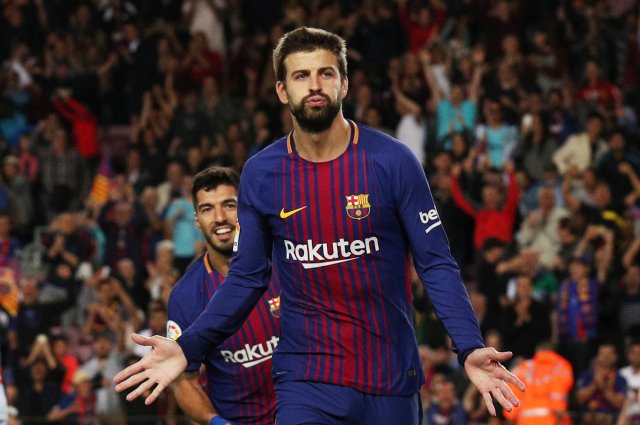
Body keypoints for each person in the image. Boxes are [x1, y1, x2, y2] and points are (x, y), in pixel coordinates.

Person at [114, 27, 525, 425]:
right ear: (281, 90)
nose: (314, 85)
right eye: (301, 75)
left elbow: (435, 263)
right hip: (306, 377)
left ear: (343, 84)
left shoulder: (394, 162)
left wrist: (468, 345)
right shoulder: (262, 173)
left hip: (389, 375)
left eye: (326, 73)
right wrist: (189, 348)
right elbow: (247, 278)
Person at [167, 166, 281, 425]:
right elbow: (184, 382)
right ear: (197, 220)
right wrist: (216, 422)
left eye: (229, 205)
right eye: (207, 209)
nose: (219, 217)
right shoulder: (185, 297)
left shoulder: (283, 260)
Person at [503, 341, 574, 425]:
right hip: (550, 420)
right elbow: (558, 401)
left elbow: (512, 404)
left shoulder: (522, 368)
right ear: (553, 351)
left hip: (525, 421)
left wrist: (511, 418)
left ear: (537, 351)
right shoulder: (561, 366)